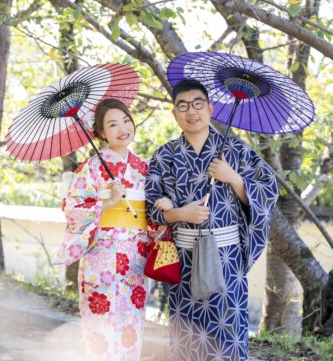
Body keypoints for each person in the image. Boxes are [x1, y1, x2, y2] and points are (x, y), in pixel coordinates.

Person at [145, 79, 279, 360]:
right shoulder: (164, 155)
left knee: (226, 336)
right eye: (183, 106)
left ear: (210, 108)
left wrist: (234, 178)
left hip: (226, 258)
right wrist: (179, 213)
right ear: (174, 113)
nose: (191, 111)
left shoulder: (236, 149)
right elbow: (150, 208)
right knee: (187, 338)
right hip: (184, 258)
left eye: (198, 103)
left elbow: (268, 192)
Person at [53, 98, 159, 360]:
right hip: (100, 253)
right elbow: (72, 207)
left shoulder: (146, 167)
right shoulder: (91, 168)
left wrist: (158, 222)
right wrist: (107, 203)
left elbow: (154, 213)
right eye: (112, 125)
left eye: (126, 120)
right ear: (101, 132)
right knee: (99, 326)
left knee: (131, 324)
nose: (122, 128)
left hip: (135, 256)